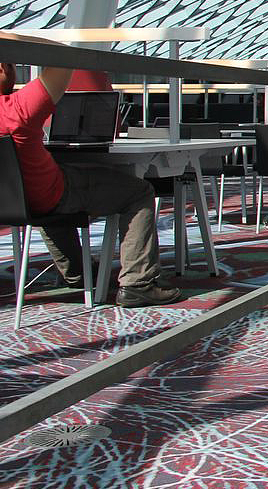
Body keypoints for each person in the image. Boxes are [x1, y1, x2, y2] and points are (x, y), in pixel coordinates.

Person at [0, 47, 179, 306]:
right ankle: (139, 283)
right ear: (3, 68)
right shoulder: (18, 108)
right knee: (138, 192)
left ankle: (78, 274)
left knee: (44, 199)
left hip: (14, 201)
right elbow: (65, 57)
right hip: (49, 194)